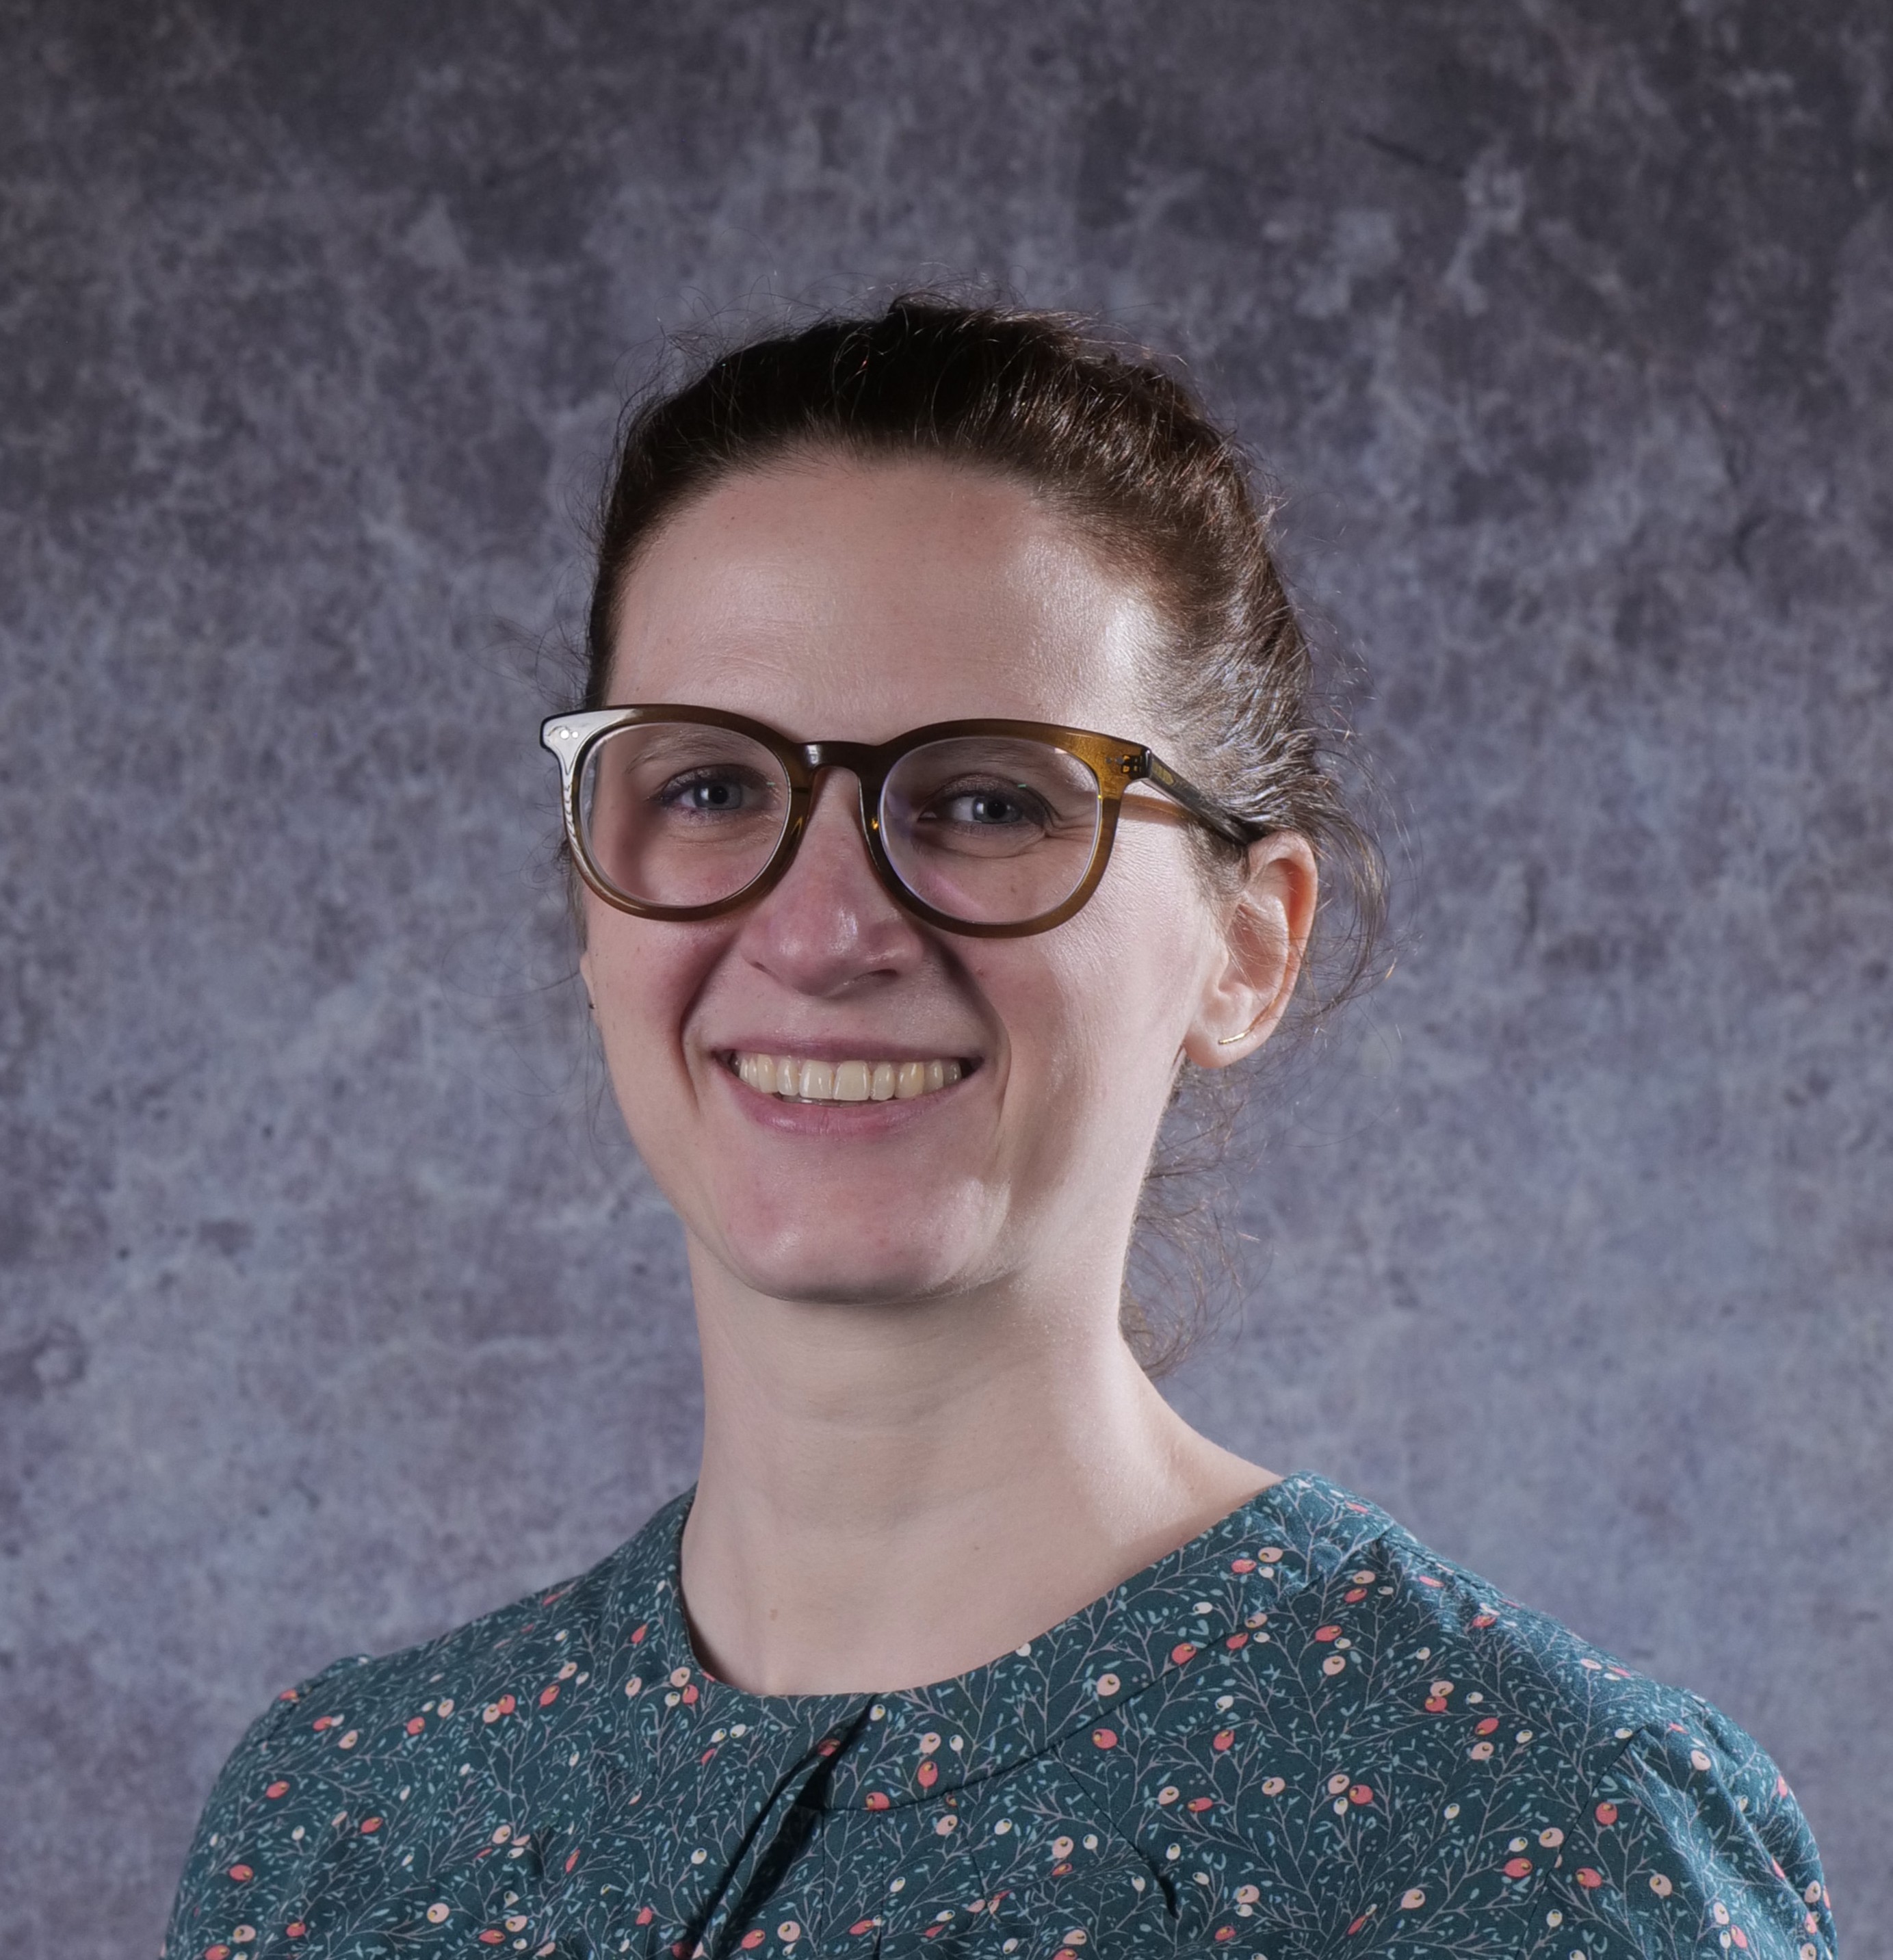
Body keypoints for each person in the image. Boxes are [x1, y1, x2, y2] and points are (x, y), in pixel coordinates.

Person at [164, 299, 1836, 1960]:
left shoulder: (1544, 1839)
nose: (823, 930)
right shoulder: (342, 1821)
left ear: (1247, 947)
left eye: (987, 801)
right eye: (711, 787)